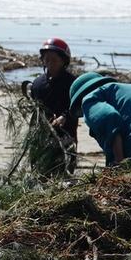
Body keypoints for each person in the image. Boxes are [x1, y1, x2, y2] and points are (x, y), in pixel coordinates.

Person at [24, 39, 77, 176]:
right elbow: (36, 108)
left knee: (63, 175)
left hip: (65, 137)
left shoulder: (72, 83)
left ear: (64, 61)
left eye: (54, 60)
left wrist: (64, 117)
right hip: (41, 137)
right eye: (47, 60)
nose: (50, 64)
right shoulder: (37, 83)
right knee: (40, 174)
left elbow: (77, 107)